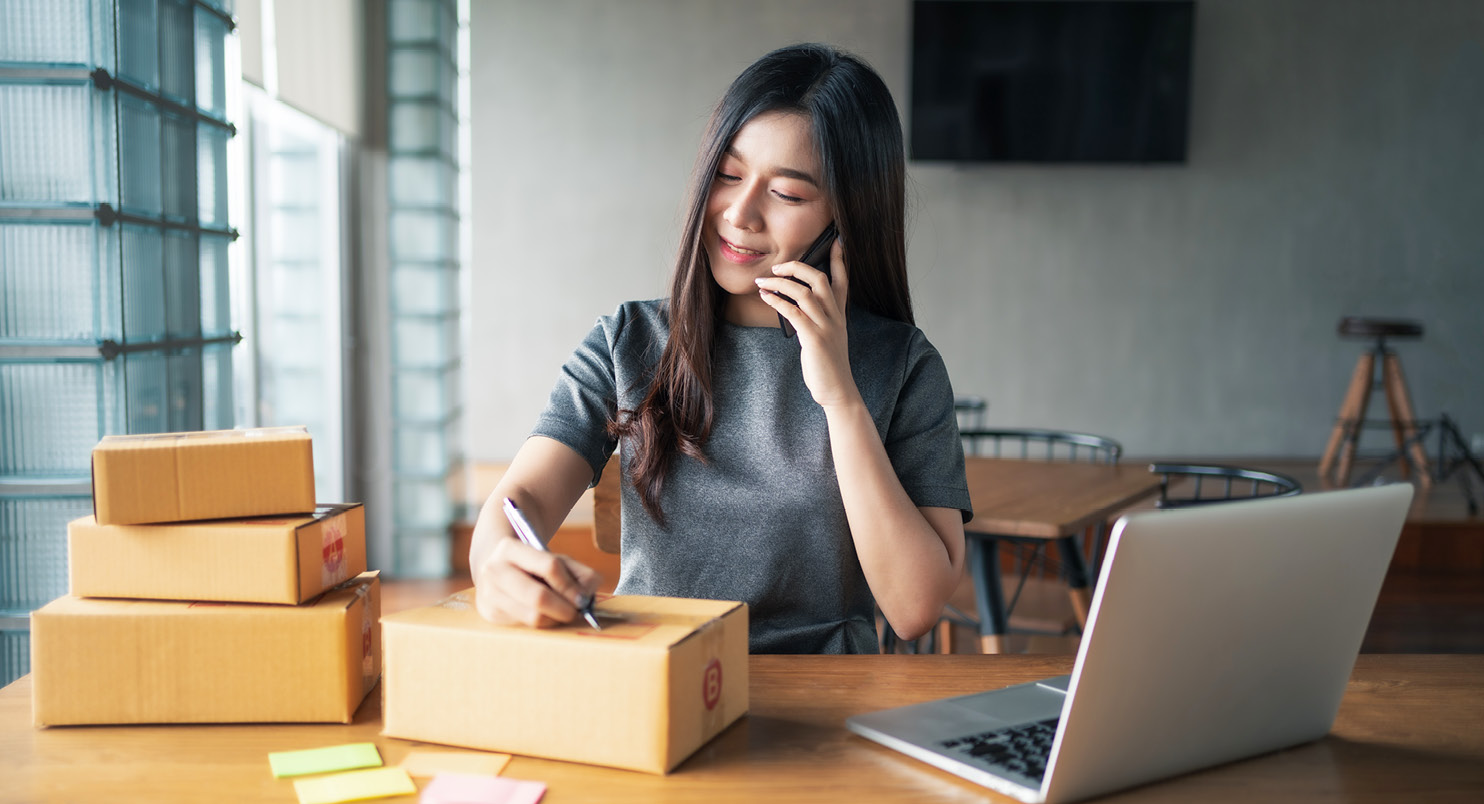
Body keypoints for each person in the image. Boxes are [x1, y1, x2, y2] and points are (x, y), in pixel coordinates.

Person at [469, 43, 972, 654]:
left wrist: (841, 399)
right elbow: (514, 508)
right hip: (659, 684)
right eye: (729, 176)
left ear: (846, 218)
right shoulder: (625, 343)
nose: (739, 212)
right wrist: (500, 565)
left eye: (787, 194)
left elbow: (915, 606)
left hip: (822, 701)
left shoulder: (903, 367)